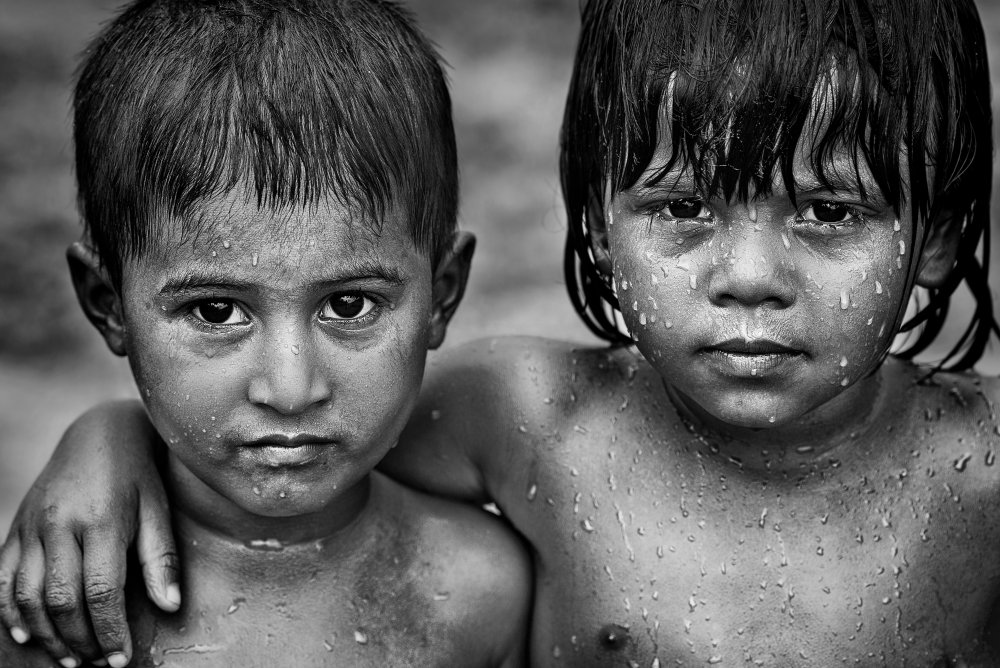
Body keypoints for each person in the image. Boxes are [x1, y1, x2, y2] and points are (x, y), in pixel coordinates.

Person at [4, 0, 999, 665]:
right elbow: (281, 446)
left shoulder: (982, 468)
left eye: (827, 212)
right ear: (600, 227)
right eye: (682, 207)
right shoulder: (530, 420)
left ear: (943, 237)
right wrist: (108, 438)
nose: (747, 279)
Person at [0, 0, 534, 666]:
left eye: (348, 304)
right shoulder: (68, 608)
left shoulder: (482, 593)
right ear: (107, 306)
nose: (290, 389)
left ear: (443, 293)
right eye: (217, 312)